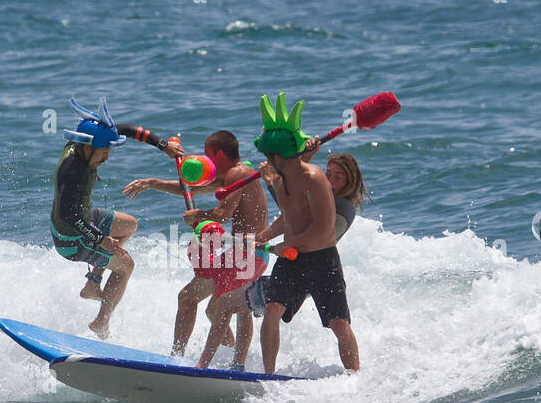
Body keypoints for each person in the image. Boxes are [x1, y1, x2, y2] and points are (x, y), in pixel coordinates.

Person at [123, 131, 267, 356]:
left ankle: (178, 357)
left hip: (248, 254)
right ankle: (232, 359)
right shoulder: (232, 174)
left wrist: (197, 214)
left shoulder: (238, 174)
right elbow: (190, 188)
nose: (204, 159)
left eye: (207, 153)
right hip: (246, 253)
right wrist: (152, 183)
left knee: (190, 298)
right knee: (213, 310)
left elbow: (222, 215)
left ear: (218, 154)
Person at [51, 97, 182, 337]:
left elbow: (128, 129)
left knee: (129, 225)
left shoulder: (81, 142)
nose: (107, 158)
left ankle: (93, 282)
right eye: (104, 152)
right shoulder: (73, 172)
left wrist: (163, 145)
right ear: (89, 147)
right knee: (126, 266)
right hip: (71, 238)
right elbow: (69, 216)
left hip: (82, 217)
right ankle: (101, 321)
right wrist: (100, 238)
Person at [251, 92, 360, 374]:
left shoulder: (313, 178)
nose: (265, 160)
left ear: (277, 156)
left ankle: (355, 378)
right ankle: (268, 376)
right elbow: (289, 218)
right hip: (292, 258)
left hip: (322, 259)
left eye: (267, 156)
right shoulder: (279, 179)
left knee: (339, 324)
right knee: (272, 309)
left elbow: (322, 231)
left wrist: (283, 245)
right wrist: (263, 237)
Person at [245, 151, 367, 318]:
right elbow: (291, 212)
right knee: (244, 302)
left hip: (318, 268)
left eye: (337, 177)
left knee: (338, 324)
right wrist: (261, 237)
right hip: (295, 264)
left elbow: (292, 210)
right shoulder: (322, 196)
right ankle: (235, 344)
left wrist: (271, 182)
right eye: (328, 174)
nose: (330, 180)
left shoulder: (343, 206)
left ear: (349, 181)